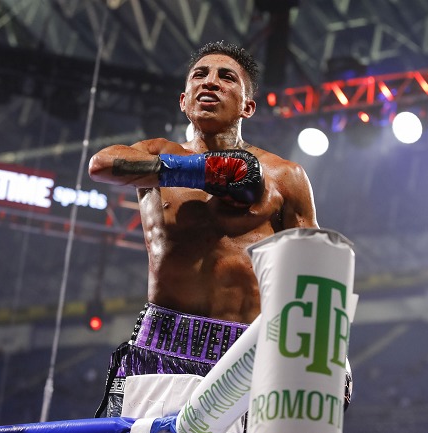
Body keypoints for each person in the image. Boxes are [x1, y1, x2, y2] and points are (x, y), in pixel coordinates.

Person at [88, 41, 326, 423]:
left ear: (248, 106)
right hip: (161, 346)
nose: (210, 82)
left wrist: (327, 357)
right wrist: (205, 171)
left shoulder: (285, 176)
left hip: (246, 353)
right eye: (200, 74)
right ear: (184, 101)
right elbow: (101, 164)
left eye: (226, 77)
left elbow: (312, 274)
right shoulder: (155, 153)